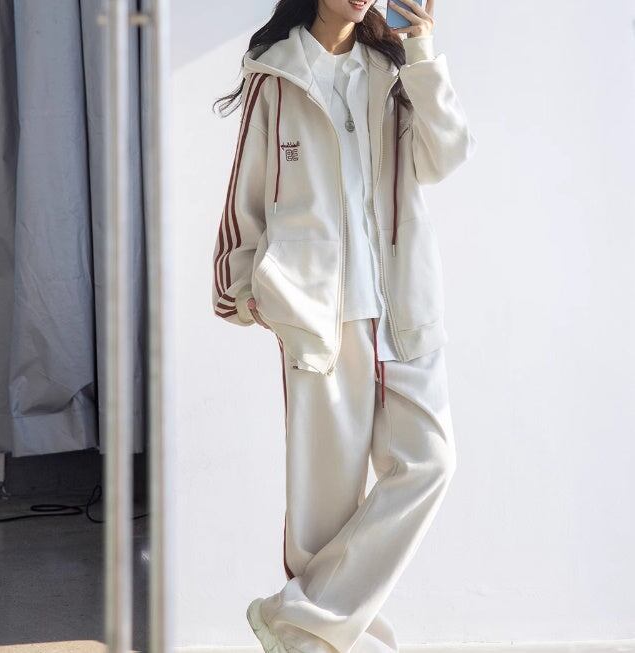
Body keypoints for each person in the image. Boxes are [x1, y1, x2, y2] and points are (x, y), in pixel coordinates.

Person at [211, 0, 476, 650]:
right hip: (320, 317)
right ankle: (315, 639)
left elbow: (444, 157)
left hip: (402, 310)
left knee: (430, 462)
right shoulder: (277, 75)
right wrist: (247, 293)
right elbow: (245, 198)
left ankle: (297, 622)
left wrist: (422, 52)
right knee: (322, 511)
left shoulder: (393, 72)